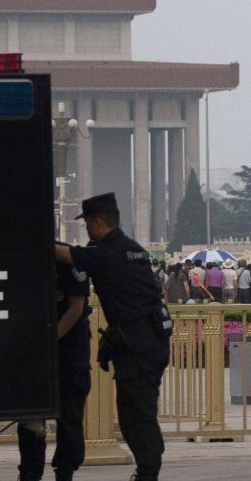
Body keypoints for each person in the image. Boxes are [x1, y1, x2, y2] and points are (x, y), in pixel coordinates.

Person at [54, 193, 169, 481]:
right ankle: (148, 470)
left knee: (135, 416)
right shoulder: (133, 249)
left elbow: (68, 255)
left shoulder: (108, 253)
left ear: (98, 221)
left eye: (88, 224)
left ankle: (148, 473)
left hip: (138, 348)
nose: (87, 230)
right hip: (149, 342)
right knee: (140, 411)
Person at [17, 258, 91, 481]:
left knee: (69, 417)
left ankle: (65, 472)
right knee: (31, 417)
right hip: (34, 351)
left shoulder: (68, 261)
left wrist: (48, 341)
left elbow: (76, 307)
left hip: (68, 351)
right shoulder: (23, 260)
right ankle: (30, 473)